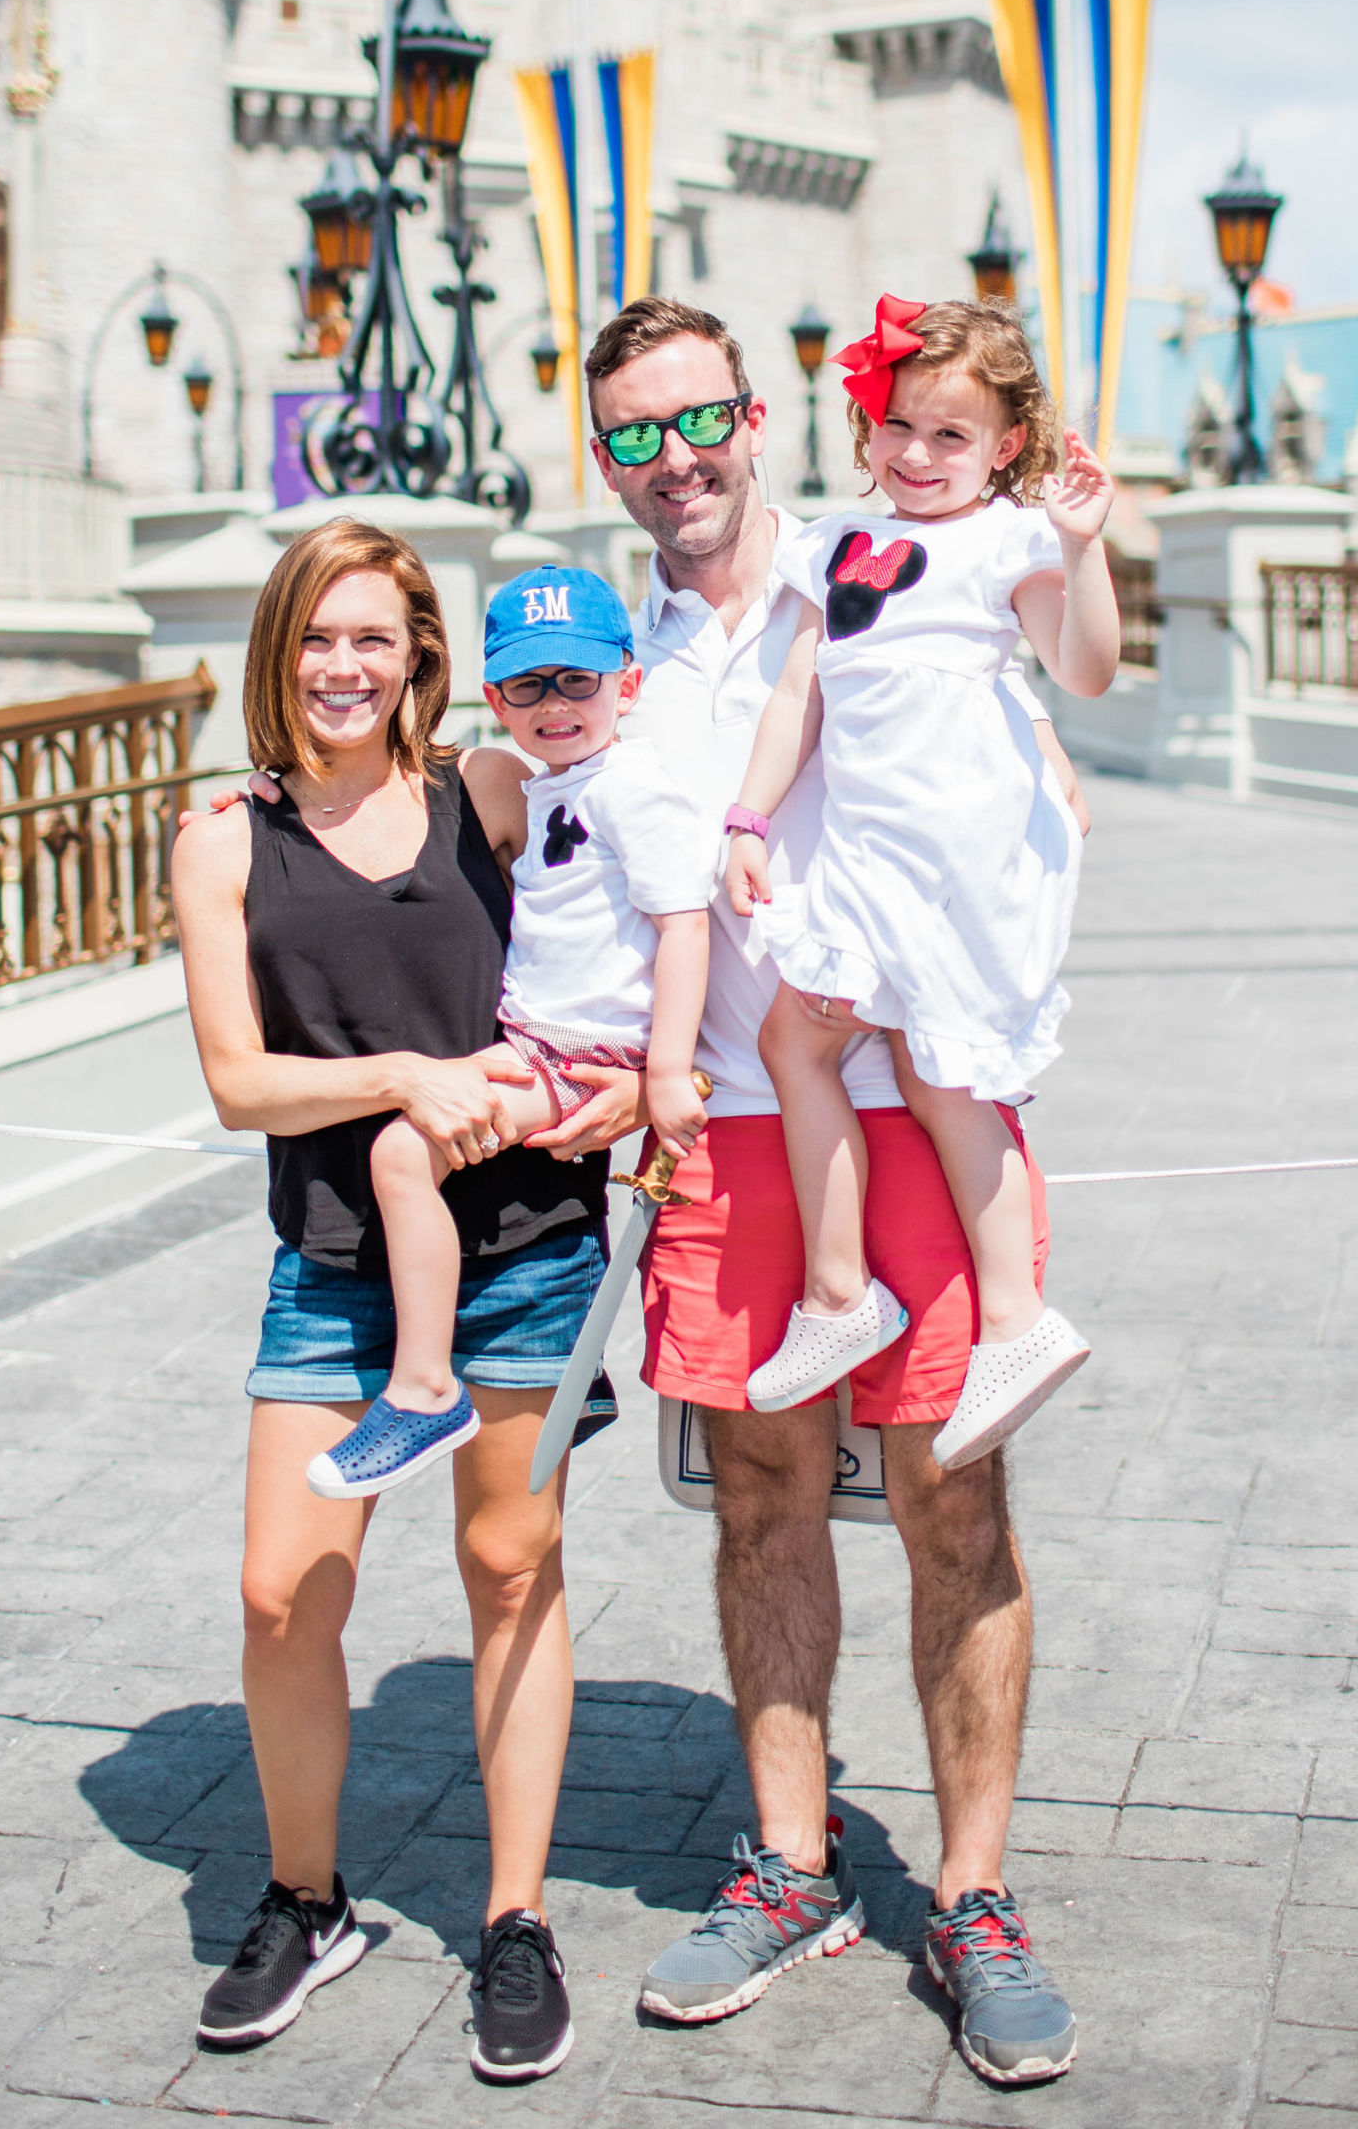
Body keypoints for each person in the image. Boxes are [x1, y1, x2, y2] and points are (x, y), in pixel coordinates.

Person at [537, 293, 1085, 2090]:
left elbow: (1044, 732)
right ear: (598, 452)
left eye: (696, 421)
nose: (671, 459)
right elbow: (542, 863)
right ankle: (790, 1865)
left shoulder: (886, 559)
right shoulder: (590, 656)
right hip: (728, 1125)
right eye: (630, 434)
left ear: (757, 417)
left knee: (951, 1493)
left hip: (910, 1098)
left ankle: (973, 1893)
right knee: (758, 1490)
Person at [170, 518, 641, 2087]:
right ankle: (308, 1899)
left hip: (526, 1247)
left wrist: (636, 1078)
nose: (345, 667)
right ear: (277, 652)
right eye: (317, 636)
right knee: (277, 1592)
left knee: (510, 1570)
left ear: (422, 654)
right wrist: (404, 1081)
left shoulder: (489, 792)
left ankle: (516, 1919)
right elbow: (239, 1084)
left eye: (376, 637)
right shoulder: (225, 835)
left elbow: (624, 920)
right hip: (332, 1261)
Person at [722, 292, 1117, 1467]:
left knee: (926, 1064)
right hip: (870, 851)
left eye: (952, 435)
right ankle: (881, 1302)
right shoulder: (832, 545)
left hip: (954, 852)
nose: (917, 453)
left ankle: (944, 1309)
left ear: (1005, 446)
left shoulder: (1008, 539)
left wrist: (1084, 547)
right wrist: (747, 816)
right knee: (830, 1051)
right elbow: (801, 692)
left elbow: (1082, 671)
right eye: (897, 425)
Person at [304, 560, 716, 1503]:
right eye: (530, 684)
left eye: (579, 679)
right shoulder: (547, 787)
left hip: (583, 1051)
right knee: (428, 1118)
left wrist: (666, 1073)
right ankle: (569, 1376)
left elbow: (683, 925)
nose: (556, 703)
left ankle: (423, 1388)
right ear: (495, 695)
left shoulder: (632, 789)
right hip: (538, 1036)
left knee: (406, 1155)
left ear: (629, 682)